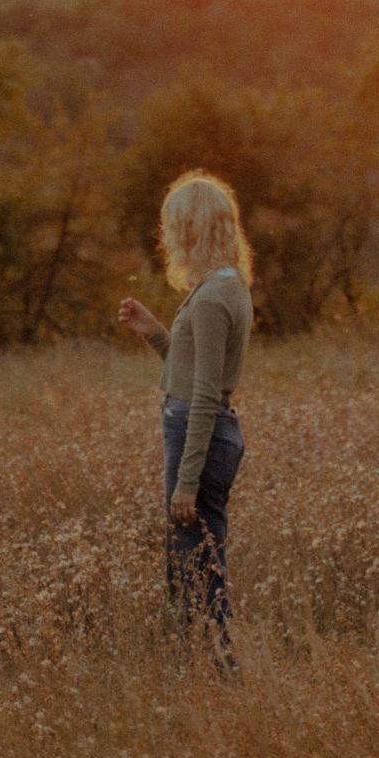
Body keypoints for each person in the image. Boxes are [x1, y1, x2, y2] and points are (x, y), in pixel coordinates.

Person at [118, 169, 255, 674]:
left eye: (175, 225)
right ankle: (199, 667)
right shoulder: (225, 286)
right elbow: (195, 371)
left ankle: (220, 672)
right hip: (207, 429)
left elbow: (202, 394)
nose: (170, 236)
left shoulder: (214, 298)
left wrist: (186, 483)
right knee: (192, 560)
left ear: (190, 229)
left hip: (199, 434)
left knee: (197, 565)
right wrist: (154, 331)